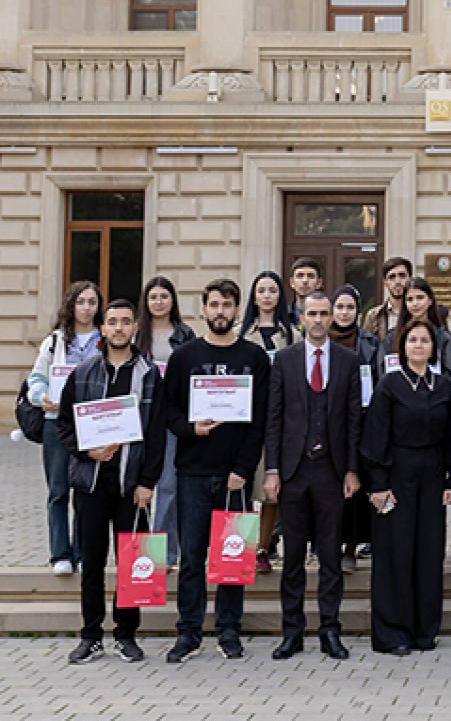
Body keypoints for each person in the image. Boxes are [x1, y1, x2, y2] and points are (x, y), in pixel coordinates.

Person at [161, 279, 271, 663]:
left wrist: (243, 468)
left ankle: (228, 630)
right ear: (203, 310)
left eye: (227, 305)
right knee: (192, 557)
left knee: (232, 557)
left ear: (238, 311)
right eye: (214, 305)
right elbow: (168, 411)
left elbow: (259, 421)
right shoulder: (184, 357)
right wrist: (191, 429)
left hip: (235, 475)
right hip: (191, 471)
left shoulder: (254, 358)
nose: (221, 311)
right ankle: (188, 632)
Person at [57, 299, 166, 665]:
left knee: (132, 563)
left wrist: (148, 482)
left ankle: (126, 635)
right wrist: (88, 453)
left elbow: (156, 435)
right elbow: (64, 426)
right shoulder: (83, 372)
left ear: (136, 328)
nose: (119, 328)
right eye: (112, 322)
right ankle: (91, 636)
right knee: (91, 563)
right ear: (102, 329)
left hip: (130, 487)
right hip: (90, 485)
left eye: (125, 322)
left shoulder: (149, 375)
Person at [263, 292, 362, 661]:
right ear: (301, 317)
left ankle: (330, 631)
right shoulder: (284, 361)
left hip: (331, 471)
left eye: (324, 313)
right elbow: (273, 419)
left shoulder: (348, 361)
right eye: (312, 313)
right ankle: (292, 632)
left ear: (332, 317)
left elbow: (355, 420)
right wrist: (272, 469)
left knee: (330, 557)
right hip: (292, 470)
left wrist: (352, 469)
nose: (319, 319)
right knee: (292, 558)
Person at [360, 318, 451, 655]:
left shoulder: (444, 386)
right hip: (395, 478)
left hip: (432, 476)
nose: (419, 345)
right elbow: (375, 438)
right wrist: (377, 485)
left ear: (434, 347)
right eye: (412, 340)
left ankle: (424, 629)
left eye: (425, 340)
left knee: (429, 552)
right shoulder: (389, 385)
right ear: (402, 347)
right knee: (395, 554)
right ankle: (393, 633)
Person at [27, 280, 103, 575]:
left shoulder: (105, 340)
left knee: (86, 491)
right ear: (71, 305)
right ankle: (60, 554)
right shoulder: (55, 341)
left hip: (92, 424)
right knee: (58, 490)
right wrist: (41, 398)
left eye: (92, 302)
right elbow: (36, 378)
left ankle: (83, 552)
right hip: (56, 424)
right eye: (81, 301)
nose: (86, 308)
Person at [238, 271, 299, 575]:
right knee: (244, 488)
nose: (266, 296)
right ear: (254, 296)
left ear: (280, 296)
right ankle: (242, 549)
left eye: (272, 290)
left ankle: (263, 548)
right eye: (260, 290)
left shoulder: (292, 335)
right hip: (244, 419)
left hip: (279, 420)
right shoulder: (240, 333)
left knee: (271, 488)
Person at [136, 276, 195, 569]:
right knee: (137, 486)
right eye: (153, 297)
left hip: (171, 418)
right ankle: (136, 552)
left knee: (168, 487)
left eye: (164, 296)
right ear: (146, 302)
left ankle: (164, 554)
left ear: (173, 300)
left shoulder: (185, 334)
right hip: (138, 419)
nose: (159, 302)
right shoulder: (136, 334)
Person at [328, 285, 379, 574]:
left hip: (361, 420)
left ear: (357, 312)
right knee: (329, 488)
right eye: (340, 307)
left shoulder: (370, 343)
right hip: (328, 423)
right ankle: (329, 545)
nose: (344, 313)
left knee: (355, 488)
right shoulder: (321, 340)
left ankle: (351, 547)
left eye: (350, 307)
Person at [380, 277, 451, 387]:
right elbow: (382, 375)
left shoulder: (444, 336)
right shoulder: (391, 337)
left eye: (420, 298)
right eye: (409, 299)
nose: (415, 303)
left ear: (430, 300)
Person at [363, 256, 413, 340]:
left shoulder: (419, 312)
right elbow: (367, 348)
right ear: (385, 284)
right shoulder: (373, 316)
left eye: (402, 276)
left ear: (410, 280)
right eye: (392, 277)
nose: (397, 281)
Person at [286, 257, 323, 328]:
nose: (305, 281)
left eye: (311, 276)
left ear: (319, 283)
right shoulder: (282, 316)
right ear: (292, 282)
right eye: (300, 276)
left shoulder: (328, 316)